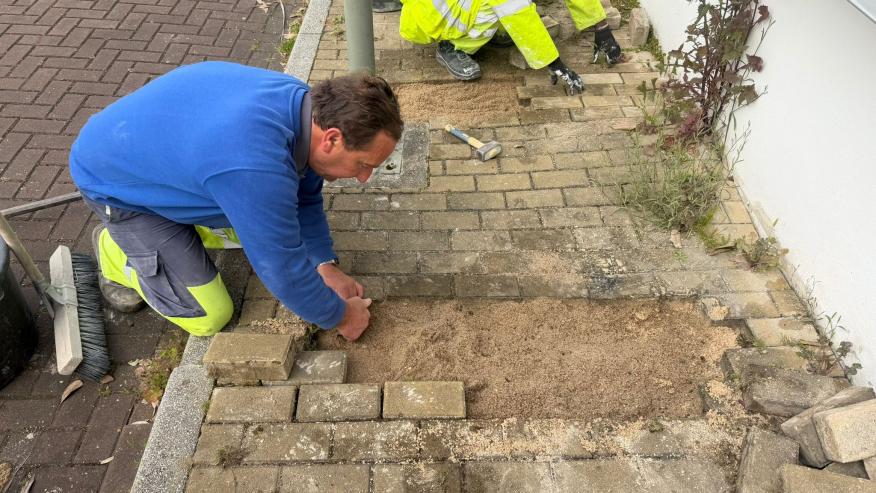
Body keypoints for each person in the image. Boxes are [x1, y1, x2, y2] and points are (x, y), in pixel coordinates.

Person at [69, 61, 403, 342]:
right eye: (363, 164)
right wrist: (342, 316)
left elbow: (305, 198)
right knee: (211, 315)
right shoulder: (255, 164)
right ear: (332, 139)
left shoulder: (307, 112)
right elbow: (281, 269)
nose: (364, 178)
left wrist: (323, 264)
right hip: (117, 189)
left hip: (165, 159)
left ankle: (198, 221)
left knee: (266, 217)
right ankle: (116, 253)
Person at [399, 0, 622, 92]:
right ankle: (454, 47)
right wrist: (554, 62)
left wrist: (601, 28)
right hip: (438, 16)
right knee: (509, 6)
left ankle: (492, 29)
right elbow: (513, 7)